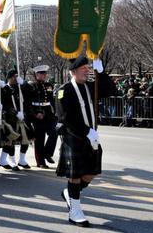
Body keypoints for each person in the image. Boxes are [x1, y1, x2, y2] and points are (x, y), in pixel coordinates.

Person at [56, 56, 116, 227]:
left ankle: (70, 193)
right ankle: (75, 211)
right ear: (73, 72)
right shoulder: (64, 90)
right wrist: (86, 131)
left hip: (91, 138)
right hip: (74, 137)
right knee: (75, 176)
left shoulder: (90, 87)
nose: (87, 71)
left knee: (92, 172)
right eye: (83, 69)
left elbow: (111, 90)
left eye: (88, 68)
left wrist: (101, 72)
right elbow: (65, 117)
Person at [0, 68, 34, 170]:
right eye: (14, 77)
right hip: (11, 118)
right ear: (9, 78)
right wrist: (15, 113)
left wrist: (24, 83)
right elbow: (4, 104)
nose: (16, 78)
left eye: (17, 76)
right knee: (12, 139)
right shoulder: (4, 89)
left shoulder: (20, 87)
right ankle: (12, 160)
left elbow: (31, 92)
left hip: (23, 116)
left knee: (26, 138)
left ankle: (22, 160)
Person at [25, 65, 58, 168]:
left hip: (48, 113)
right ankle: (40, 161)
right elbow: (27, 102)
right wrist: (35, 114)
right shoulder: (31, 86)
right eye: (41, 74)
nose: (44, 75)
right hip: (37, 113)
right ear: (36, 75)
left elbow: (52, 100)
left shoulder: (49, 85)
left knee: (54, 132)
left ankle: (47, 154)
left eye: (45, 73)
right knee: (40, 138)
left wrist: (55, 112)